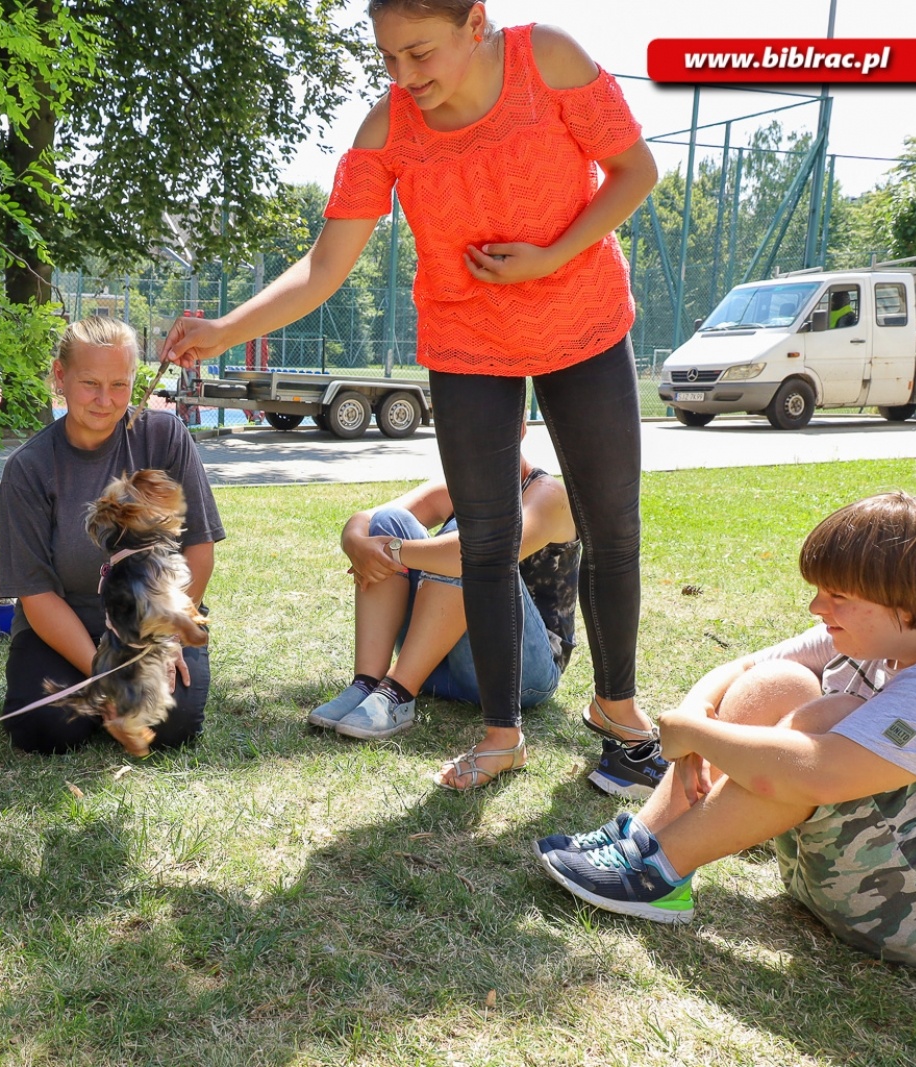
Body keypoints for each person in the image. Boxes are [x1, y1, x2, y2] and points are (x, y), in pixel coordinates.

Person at [161, 0, 660, 791]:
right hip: (467, 342)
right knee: (486, 542)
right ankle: (502, 737)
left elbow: (637, 170)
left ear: (476, 22)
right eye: (388, 59)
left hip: (583, 321)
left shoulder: (549, 59)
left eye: (420, 53)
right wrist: (226, 328)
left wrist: (552, 255)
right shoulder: (387, 127)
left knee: (612, 524)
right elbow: (326, 266)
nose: (405, 77)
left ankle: (620, 716)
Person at [538, 493, 916, 976]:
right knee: (778, 682)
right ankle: (647, 847)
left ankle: (656, 871)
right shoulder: (893, 629)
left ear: (907, 603)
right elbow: (744, 668)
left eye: (839, 597)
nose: (817, 606)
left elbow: (819, 775)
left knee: (828, 725)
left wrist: (696, 733)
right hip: (874, 879)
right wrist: (694, 714)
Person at [0, 317, 225, 754]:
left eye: (119, 385)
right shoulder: (28, 469)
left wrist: (160, 640)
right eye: (90, 383)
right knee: (48, 729)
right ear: (60, 377)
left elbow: (199, 547)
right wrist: (109, 672)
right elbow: (37, 594)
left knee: (169, 727)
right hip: (65, 627)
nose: (105, 400)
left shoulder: (165, 436)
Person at [313, 444, 584, 790]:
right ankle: (367, 683)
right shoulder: (460, 485)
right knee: (388, 523)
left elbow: (473, 555)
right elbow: (368, 520)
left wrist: (389, 553)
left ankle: (397, 693)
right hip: (442, 667)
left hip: (522, 675)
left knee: (472, 540)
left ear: (518, 427)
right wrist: (355, 541)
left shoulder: (547, 495)